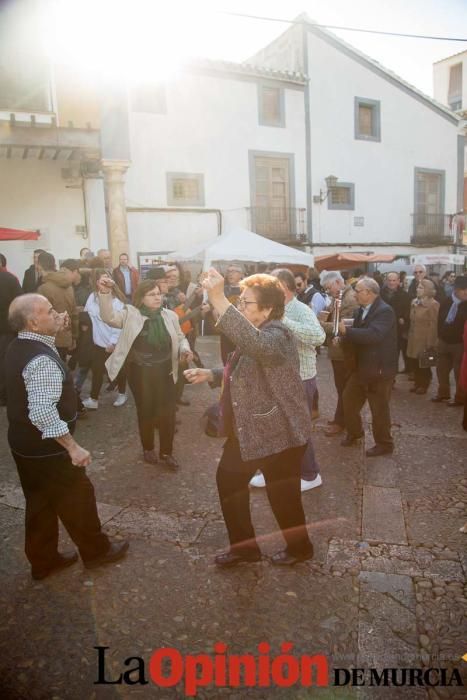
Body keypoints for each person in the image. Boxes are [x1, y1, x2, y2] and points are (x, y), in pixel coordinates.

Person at [185, 269, 314, 567]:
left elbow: (259, 347)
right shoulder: (258, 334)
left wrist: (217, 297)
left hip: (281, 433)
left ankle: (300, 549)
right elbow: (246, 368)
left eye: (246, 303)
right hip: (252, 429)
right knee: (229, 482)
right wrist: (212, 374)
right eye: (239, 302)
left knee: (284, 498)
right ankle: (245, 548)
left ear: (268, 309)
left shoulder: (279, 335)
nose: (241, 307)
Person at [5, 294, 129, 579]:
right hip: (47, 449)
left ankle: (43, 561)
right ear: (34, 322)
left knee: (40, 503)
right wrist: (72, 447)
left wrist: (58, 326)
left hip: (23, 445)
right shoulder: (40, 358)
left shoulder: (19, 344)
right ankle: (97, 552)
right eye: (50, 311)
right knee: (79, 498)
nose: (58, 313)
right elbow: (42, 413)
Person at [97, 277, 193, 469]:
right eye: (152, 295)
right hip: (140, 372)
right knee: (146, 411)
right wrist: (105, 294)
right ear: (141, 298)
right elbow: (108, 317)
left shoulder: (169, 316)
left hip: (166, 370)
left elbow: (181, 337)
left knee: (167, 413)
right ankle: (148, 448)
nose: (157, 298)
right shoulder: (130, 314)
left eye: (159, 294)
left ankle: (167, 453)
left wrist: (184, 349)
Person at [249, 268, 325, 492]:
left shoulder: (300, 310)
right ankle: (270, 471)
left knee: (297, 429)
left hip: (300, 379)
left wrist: (284, 321)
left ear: (283, 288)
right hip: (275, 378)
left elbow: (318, 337)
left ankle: (310, 474)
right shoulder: (271, 310)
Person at [339, 277, 398, 457]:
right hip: (361, 367)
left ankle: (385, 444)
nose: (355, 294)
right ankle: (355, 432)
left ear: (370, 293)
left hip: (379, 369)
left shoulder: (385, 311)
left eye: (358, 291)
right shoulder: (360, 311)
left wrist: (347, 332)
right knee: (348, 400)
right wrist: (343, 338)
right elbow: (358, 337)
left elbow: (374, 335)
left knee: (378, 408)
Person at [318, 271, 359, 436]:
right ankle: (340, 419)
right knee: (341, 387)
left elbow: (341, 327)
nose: (328, 292)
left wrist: (319, 324)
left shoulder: (349, 299)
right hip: (338, 350)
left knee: (344, 389)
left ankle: (343, 422)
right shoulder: (340, 296)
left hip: (344, 351)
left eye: (329, 288)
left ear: (337, 282)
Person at [82, 270, 127, 409]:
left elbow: (119, 325)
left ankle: (122, 393)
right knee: (97, 370)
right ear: (96, 283)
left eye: (108, 277)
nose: (106, 280)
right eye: (102, 279)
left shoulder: (117, 302)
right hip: (98, 343)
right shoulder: (92, 297)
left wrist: (113, 342)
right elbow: (86, 313)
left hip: (114, 343)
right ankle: (93, 399)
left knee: (118, 368)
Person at [431, 275, 467, 406]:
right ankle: (443, 393)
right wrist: (438, 336)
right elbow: (439, 320)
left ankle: (460, 398)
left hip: (459, 344)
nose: (466, 292)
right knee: (441, 369)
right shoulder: (446, 301)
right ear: (456, 289)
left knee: (459, 372)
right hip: (444, 341)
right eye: (463, 289)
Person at [37, 254, 78, 361]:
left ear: (39, 266)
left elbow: (40, 316)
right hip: (65, 336)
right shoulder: (69, 286)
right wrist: (74, 337)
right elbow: (74, 314)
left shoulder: (43, 288)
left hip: (49, 338)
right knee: (62, 367)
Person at [406, 279, 439, 394]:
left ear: (427, 290)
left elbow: (434, 325)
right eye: (418, 287)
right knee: (414, 361)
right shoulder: (414, 302)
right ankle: (417, 383)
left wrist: (431, 342)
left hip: (424, 338)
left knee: (424, 363)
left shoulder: (433, 304)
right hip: (414, 337)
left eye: (421, 288)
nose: (417, 289)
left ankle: (424, 384)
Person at [381, 272, 411, 373]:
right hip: (384, 329)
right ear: (386, 281)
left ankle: (399, 373)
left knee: (399, 352)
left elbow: (408, 311)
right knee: (387, 355)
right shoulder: (380, 294)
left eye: (394, 280)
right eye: (389, 280)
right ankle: (389, 378)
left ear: (398, 281)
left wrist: (404, 318)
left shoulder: (405, 295)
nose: (392, 283)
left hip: (399, 330)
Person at [0, 267, 22, 404]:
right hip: (7, 328)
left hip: (6, 328)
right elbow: (19, 303)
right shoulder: (10, 279)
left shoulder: (9, 278)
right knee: (5, 361)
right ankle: (4, 395)